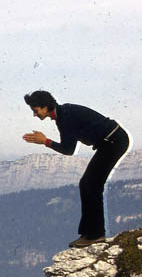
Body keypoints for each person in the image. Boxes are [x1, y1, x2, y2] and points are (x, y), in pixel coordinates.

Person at [22, 90, 130, 248]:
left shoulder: (65, 117)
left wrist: (45, 141)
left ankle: (94, 234)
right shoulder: (63, 114)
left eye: (36, 110)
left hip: (113, 142)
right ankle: (89, 233)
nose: (34, 114)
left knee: (91, 184)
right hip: (111, 142)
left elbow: (68, 149)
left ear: (45, 107)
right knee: (87, 184)